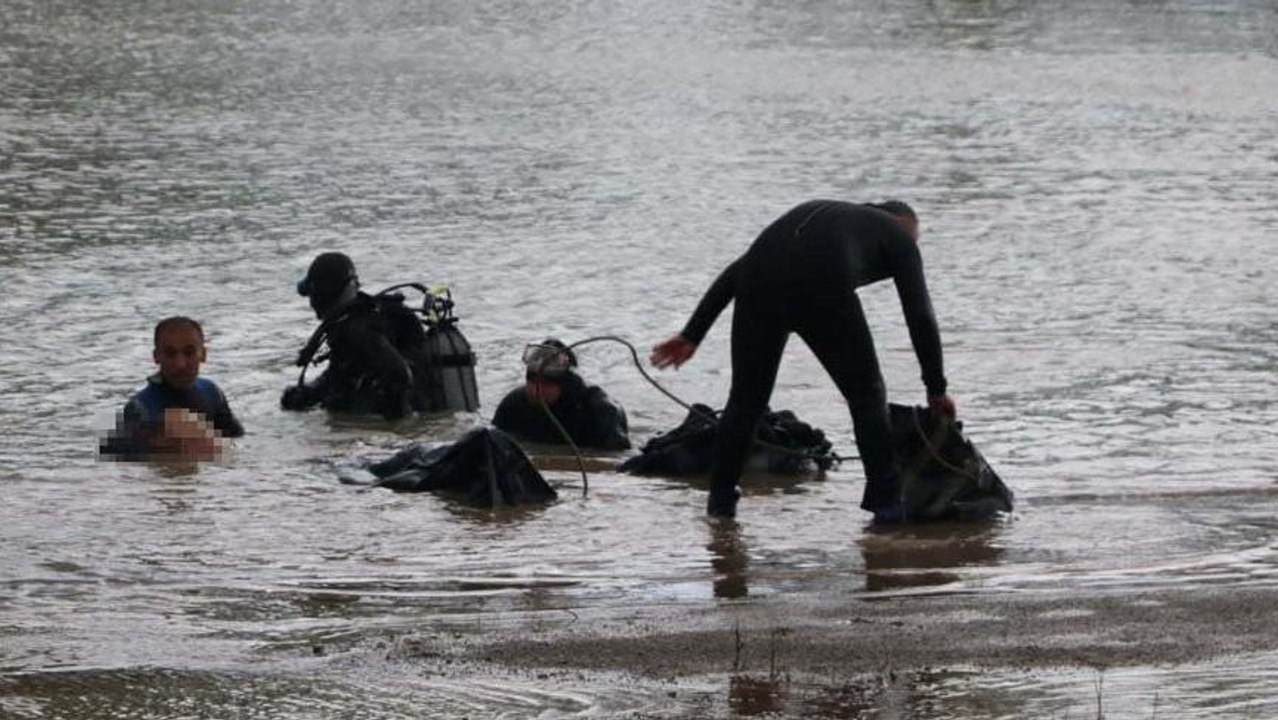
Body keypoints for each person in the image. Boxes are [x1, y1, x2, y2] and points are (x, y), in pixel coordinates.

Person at [650, 199, 956, 522]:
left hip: (758, 283)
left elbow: (738, 271)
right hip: (822, 282)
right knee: (867, 395)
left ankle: (721, 503)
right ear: (900, 224)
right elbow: (920, 315)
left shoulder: (832, 219)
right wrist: (936, 388)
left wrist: (692, 334)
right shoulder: (898, 235)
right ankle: (888, 507)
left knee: (745, 402)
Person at [282, 252, 426, 420]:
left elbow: (399, 375)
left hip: (408, 411)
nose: (313, 304)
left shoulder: (360, 328)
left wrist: (390, 426)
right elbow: (340, 373)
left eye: (315, 296)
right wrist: (309, 393)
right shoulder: (350, 321)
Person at [101, 316, 243, 460]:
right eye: (170, 354)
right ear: (156, 357)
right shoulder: (140, 409)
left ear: (203, 354)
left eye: (189, 353)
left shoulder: (212, 392)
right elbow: (117, 463)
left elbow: (238, 443)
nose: (180, 364)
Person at [492, 339, 631, 451]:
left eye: (546, 385)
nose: (536, 391)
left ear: (565, 385)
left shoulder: (601, 411)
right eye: (532, 382)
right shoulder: (514, 404)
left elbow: (617, 462)